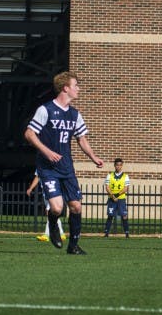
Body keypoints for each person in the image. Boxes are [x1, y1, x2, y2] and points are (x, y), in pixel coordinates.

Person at [25, 70, 104, 256]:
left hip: (66, 167)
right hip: (48, 167)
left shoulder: (75, 114)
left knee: (76, 206)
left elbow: (81, 139)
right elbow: (29, 134)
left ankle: (74, 246)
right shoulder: (45, 110)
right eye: (75, 85)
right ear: (65, 88)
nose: (78, 89)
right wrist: (46, 151)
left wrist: (93, 157)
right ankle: (53, 223)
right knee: (57, 207)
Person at [26, 172, 64, 242]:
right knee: (52, 213)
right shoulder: (41, 165)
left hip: (53, 190)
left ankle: (47, 235)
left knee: (49, 212)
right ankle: (61, 233)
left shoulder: (53, 164)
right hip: (46, 192)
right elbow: (38, 177)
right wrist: (31, 188)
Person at [103, 158, 130, 238]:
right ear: (114, 166)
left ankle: (127, 233)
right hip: (112, 199)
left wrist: (117, 195)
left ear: (122, 166)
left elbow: (126, 188)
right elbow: (107, 187)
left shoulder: (125, 176)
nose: (118, 167)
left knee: (124, 215)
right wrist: (112, 196)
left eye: (120, 165)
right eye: (117, 165)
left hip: (121, 199)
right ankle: (106, 233)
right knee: (110, 215)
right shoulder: (109, 175)